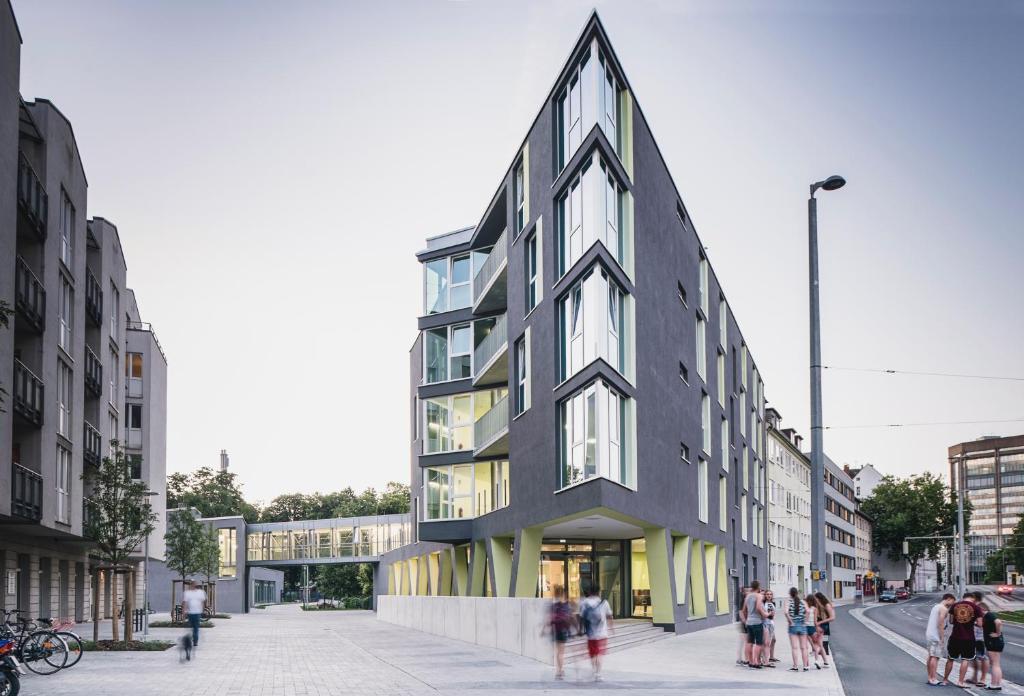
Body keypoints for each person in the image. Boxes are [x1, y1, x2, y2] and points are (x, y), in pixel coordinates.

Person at [944, 591, 984, 687]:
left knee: (950, 659)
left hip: (955, 636)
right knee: (965, 659)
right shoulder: (977, 608)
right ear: (973, 598)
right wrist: (972, 622)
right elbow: (980, 624)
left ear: (964, 597)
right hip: (968, 638)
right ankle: (960, 682)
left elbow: (951, 621)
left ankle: (945, 680)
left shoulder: (955, 606)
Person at [579, 586, 613, 682]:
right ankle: (598, 674)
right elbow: (610, 616)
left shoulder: (585, 602)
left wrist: (580, 630)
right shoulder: (604, 602)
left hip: (591, 634)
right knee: (599, 654)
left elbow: (581, 617)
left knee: (593, 654)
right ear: (598, 592)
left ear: (590, 591)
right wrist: (612, 628)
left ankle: (594, 671)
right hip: (602, 633)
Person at [925, 593, 956, 685]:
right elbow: (941, 623)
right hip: (936, 636)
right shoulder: (943, 609)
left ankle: (930, 677)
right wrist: (942, 637)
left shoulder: (935, 607)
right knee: (935, 657)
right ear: (948, 599)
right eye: (952, 602)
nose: (952, 604)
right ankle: (933, 678)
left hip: (929, 634)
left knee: (930, 656)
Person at [546, 586, 574, 680]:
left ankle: (558, 670)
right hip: (563, 630)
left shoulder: (553, 605)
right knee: (561, 653)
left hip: (556, 630)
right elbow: (570, 618)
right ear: (562, 593)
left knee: (558, 652)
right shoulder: (565, 605)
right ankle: (560, 671)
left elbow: (550, 619)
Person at [741, 580, 768, 669]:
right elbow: (758, 607)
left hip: (749, 622)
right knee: (759, 642)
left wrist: (746, 620)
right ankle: (756, 662)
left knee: (750, 642)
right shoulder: (759, 596)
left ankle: (750, 661)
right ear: (758, 587)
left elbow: (744, 609)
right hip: (757, 621)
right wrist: (765, 614)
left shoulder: (747, 596)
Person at [785, 587, 810, 672]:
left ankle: (795, 666)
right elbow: (808, 611)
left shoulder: (788, 602)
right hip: (802, 625)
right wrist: (805, 621)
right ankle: (805, 666)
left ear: (790, 594)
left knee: (794, 648)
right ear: (797, 593)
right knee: (804, 648)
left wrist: (790, 621)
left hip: (793, 626)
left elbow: (785, 612)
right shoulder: (803, 602)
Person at [981, 601, 1004, 691]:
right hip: (996, 642)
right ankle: (997, 683)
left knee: (994, 664)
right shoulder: (988, 616)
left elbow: (998, 622)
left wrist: (998, 633)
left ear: (982, 609)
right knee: (996, 664)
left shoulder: (989, 615)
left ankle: (994, 684)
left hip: (993, 642)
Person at [968, 591, 989, 687]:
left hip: (980, 637)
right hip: (975, 636)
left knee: (982, 658)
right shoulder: (977, 606)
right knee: (975, 658)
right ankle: (975, 677)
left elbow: (983, 622)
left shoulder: (981, 607)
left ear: (974, 597)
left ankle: (983, 679)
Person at [181, 581, 207, 647]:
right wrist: (184, 612)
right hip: (190, 613)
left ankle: (195, 641)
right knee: (193, 627)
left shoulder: (200, 592)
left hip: (197, 613)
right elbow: (185, 603)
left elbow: (203, 602)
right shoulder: (187, 593)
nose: (192, 586)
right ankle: (193, 639)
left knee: (195, 628)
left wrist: (203, 610)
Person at [804, 594, 826, 668]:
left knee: (805, 647)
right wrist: (818, 629)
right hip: (812, 628)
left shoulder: (805, 608)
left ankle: (806, 665)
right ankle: (816, 660)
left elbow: (804, 619)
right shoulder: (815, 609)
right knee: (817, 645)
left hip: (805, 628)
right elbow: (815, 621)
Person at [814, 591, 836, 660]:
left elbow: (832, 618)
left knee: (821, 641)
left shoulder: (827, 605)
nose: (815, 600)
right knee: (819, 641)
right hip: (819, 624)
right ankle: (822, 656)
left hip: (824, 625)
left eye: (816, 599)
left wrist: (821, 622)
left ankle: (820, 655)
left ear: (819, 598)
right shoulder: (819, 605)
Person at [762, 590, 778, 666]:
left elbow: (773, 614)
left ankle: (771, 656)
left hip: (771, 623)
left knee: (773, 640)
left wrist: (772, 616)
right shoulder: (763, 603)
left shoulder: (773, 603)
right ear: (765, 595)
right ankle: (765, 659)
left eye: (770, 594)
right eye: (767, 594)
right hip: (765, 624)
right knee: (766, 642)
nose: (769, 595)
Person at [735, 586, 750, 666]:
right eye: (747, 591)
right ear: (744, 592)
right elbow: (741, 613)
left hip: (747, 623)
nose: (748, 592)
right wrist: (745, 622)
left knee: (745, 642)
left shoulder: (748, 600)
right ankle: (740, 659)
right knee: (743, 642)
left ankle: (742, 659)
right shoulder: (743, 601)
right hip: (743, 624)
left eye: (750, 591)